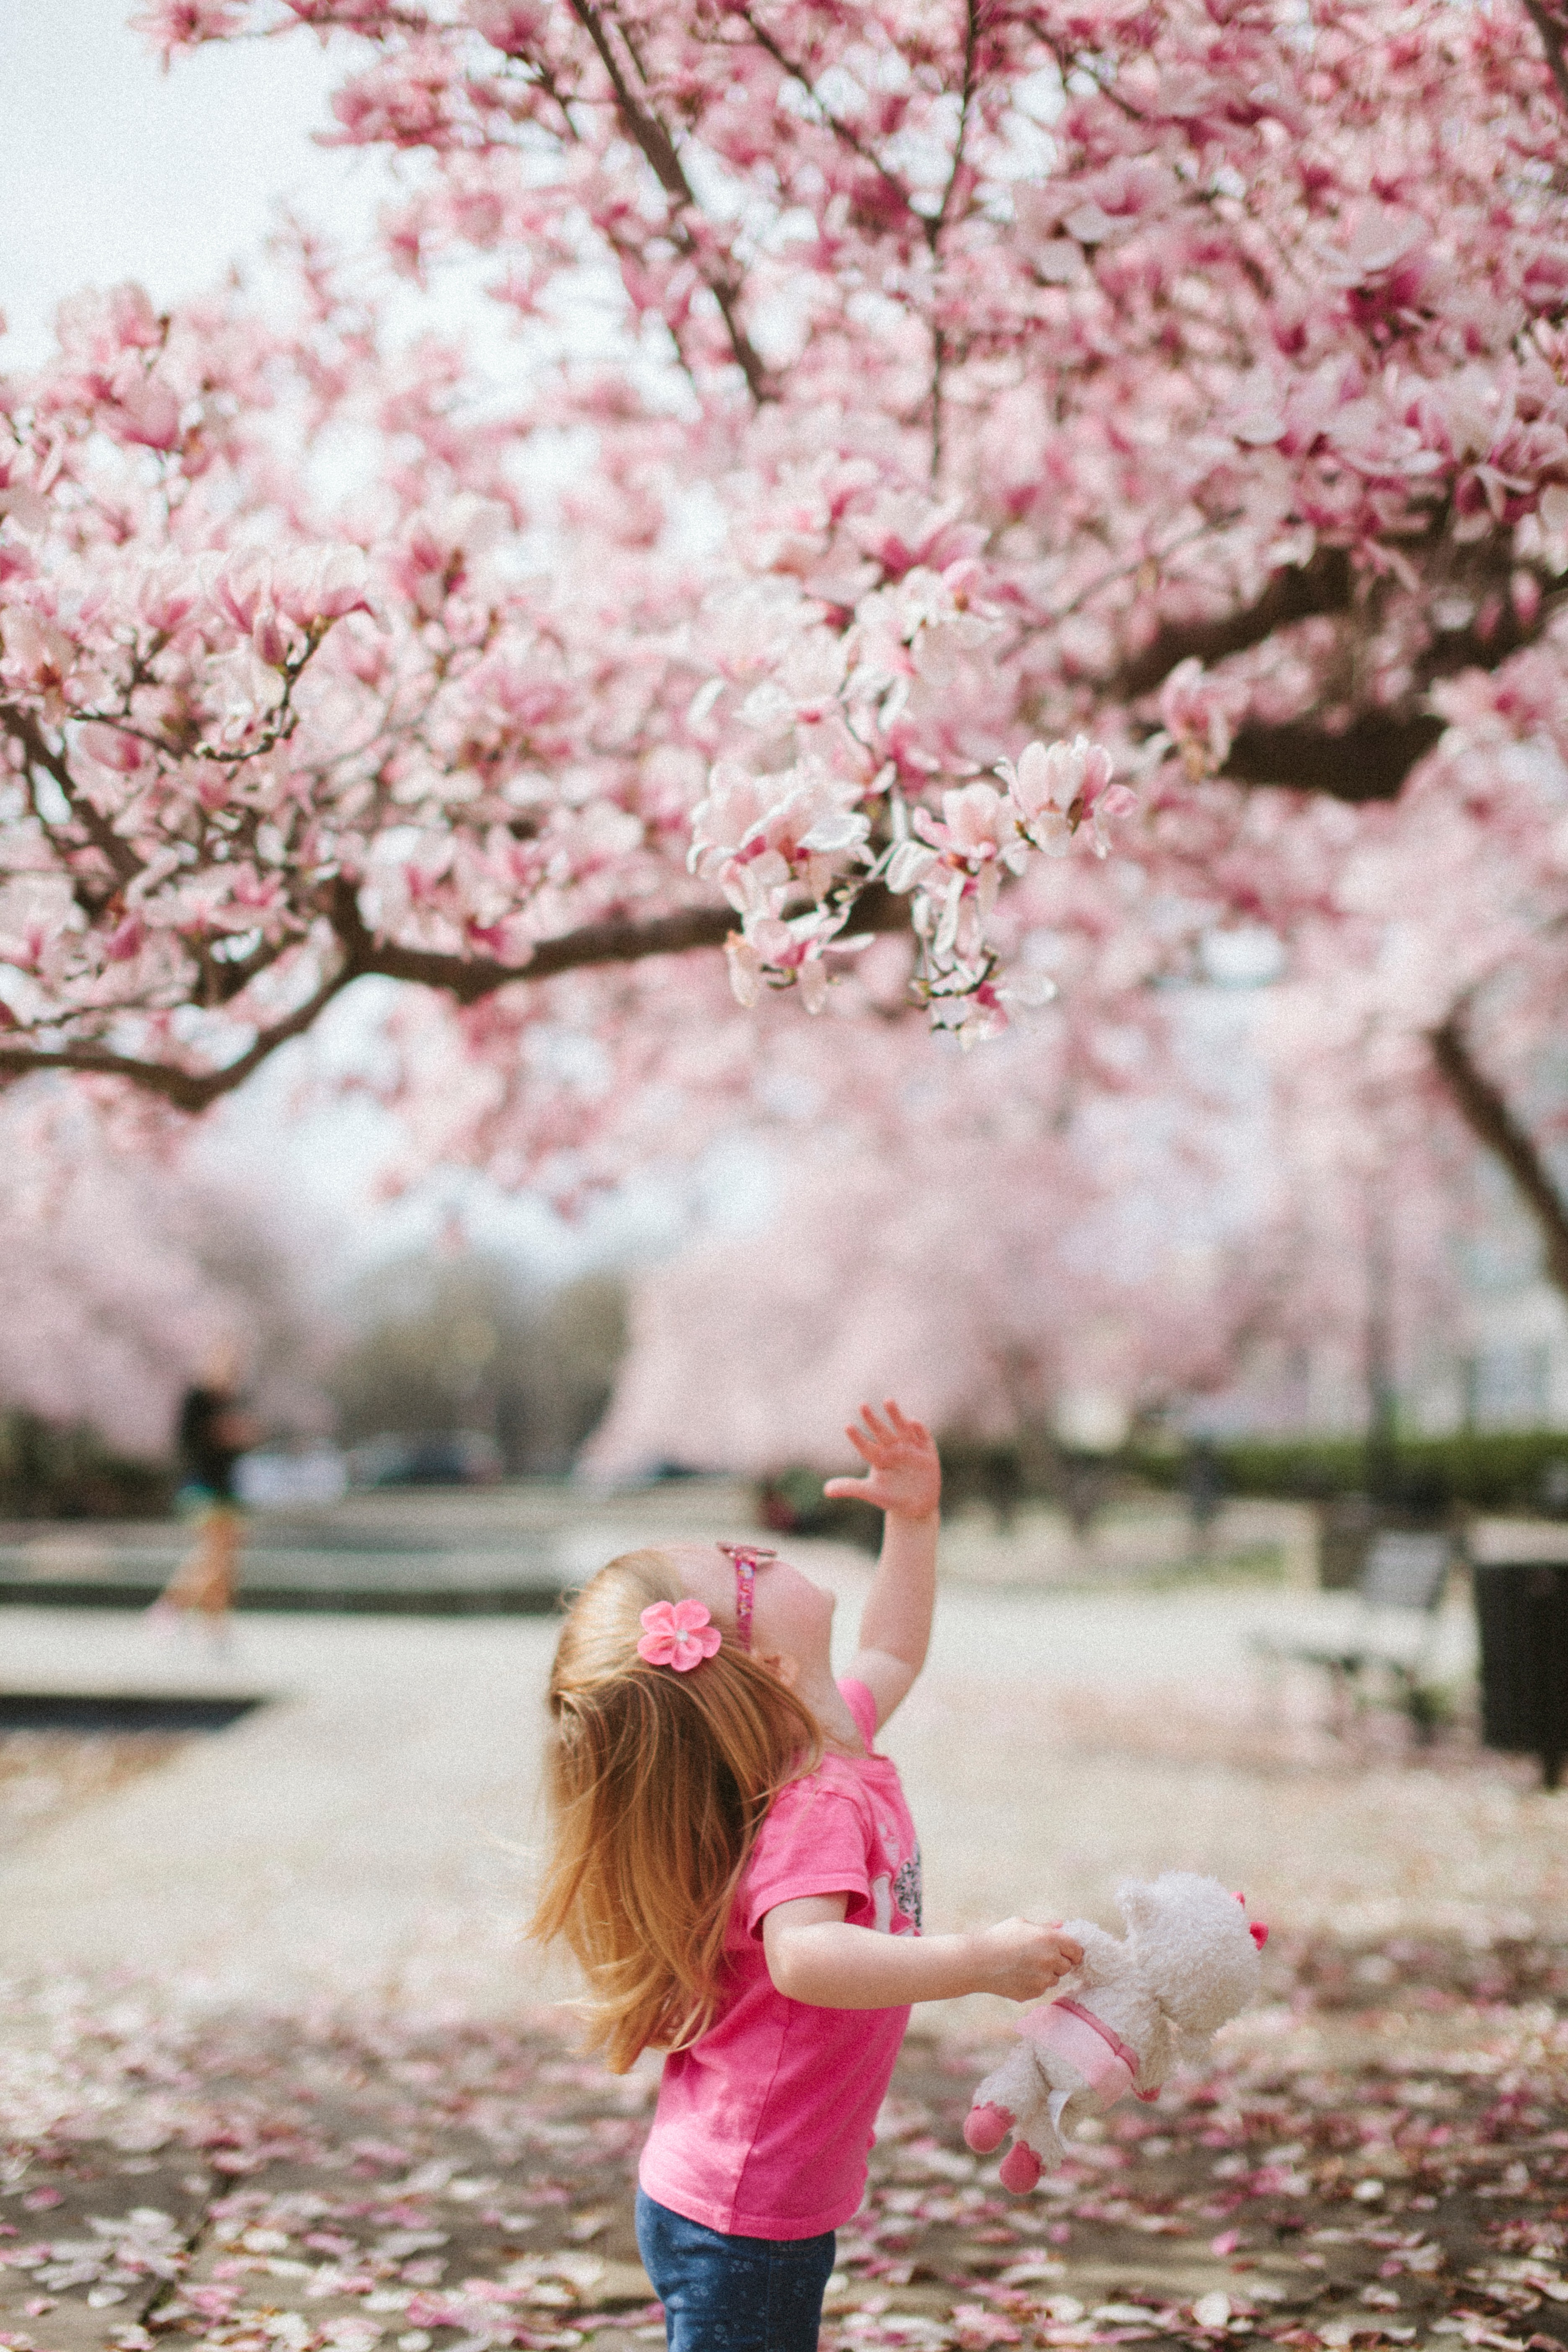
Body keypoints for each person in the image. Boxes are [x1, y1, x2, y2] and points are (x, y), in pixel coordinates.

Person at [531, 1399, 1083, 2352]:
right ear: (775, 1665)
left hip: (746, 2189)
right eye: (744, 1570)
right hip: (743, 2211)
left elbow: (896, 1646)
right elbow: (805, 1955)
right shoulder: (810, 1802)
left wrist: (910, 1520)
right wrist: (975, 1961)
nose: (759, 1549)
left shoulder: (834, 1734)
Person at [151, 1362, 258, 1631]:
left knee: (226, 1561)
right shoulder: (198, 1401)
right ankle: (170, 1609)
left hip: (229, 1490)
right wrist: (223, 1434)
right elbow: (189, 1441)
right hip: (202, 1488)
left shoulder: (235, 1401)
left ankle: (214, 1622)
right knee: (215, 1556)